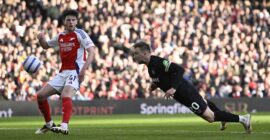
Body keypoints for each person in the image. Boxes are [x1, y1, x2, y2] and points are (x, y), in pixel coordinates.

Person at [131, 41, 252, 134]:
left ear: (145, 53)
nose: (134, 56)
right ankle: (223, 117)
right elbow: (163, 77)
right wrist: (154, 85)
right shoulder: (150, 67)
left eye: (136, 53)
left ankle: (243, 119)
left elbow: (179, 70)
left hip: (185, 92)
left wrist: (173, 88)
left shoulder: (158, 62)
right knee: (205, 103)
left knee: (210, 117)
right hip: (181, 95)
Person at [35, 9, 95, 135]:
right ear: (64, 22)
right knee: (40, 96)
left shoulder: (80, 34)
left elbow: (92, 51)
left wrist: (83, 70)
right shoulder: (61, 36)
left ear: (77, 21)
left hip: (76, 71)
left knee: (65, 95)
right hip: (62, 73)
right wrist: (41, 39)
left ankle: (64, 126)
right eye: (68, 20)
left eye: (73, 20)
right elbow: (46, 45)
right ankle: (49, 124)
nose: (71, 22)